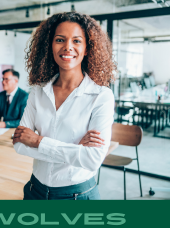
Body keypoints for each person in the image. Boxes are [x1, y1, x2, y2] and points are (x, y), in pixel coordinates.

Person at [13, 12, 117, 200]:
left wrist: (38, 141)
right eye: (60, 40)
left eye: (77, 41)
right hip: (34, 191)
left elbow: (92, 160)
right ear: (50, 46)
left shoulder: (101, 96)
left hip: (78, 195)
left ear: (87, 49)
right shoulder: (38, 92)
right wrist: (75, 149)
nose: (68, 47)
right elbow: (20, 144)